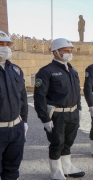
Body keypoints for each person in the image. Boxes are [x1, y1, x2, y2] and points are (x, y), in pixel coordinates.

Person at [34, 38, 85, 179]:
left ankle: (67, 167)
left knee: (69, 141)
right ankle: (56, 171)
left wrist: (79, 108)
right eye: (65, 51)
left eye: (70, 51)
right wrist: (44, 118)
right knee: (57, 143)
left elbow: (76, 92)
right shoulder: (46, 71)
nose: (69, 53)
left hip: (72, 113)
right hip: (57, 115)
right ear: (55, 52)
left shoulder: (72, 70)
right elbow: (40, 97)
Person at [0, 30, 28, 180]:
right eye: (0, 44)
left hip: (16, 129)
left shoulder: (15, 70)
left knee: (12, 170)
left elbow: (23, 98)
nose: (5, 47)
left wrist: (24, 121)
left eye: (7, 44)